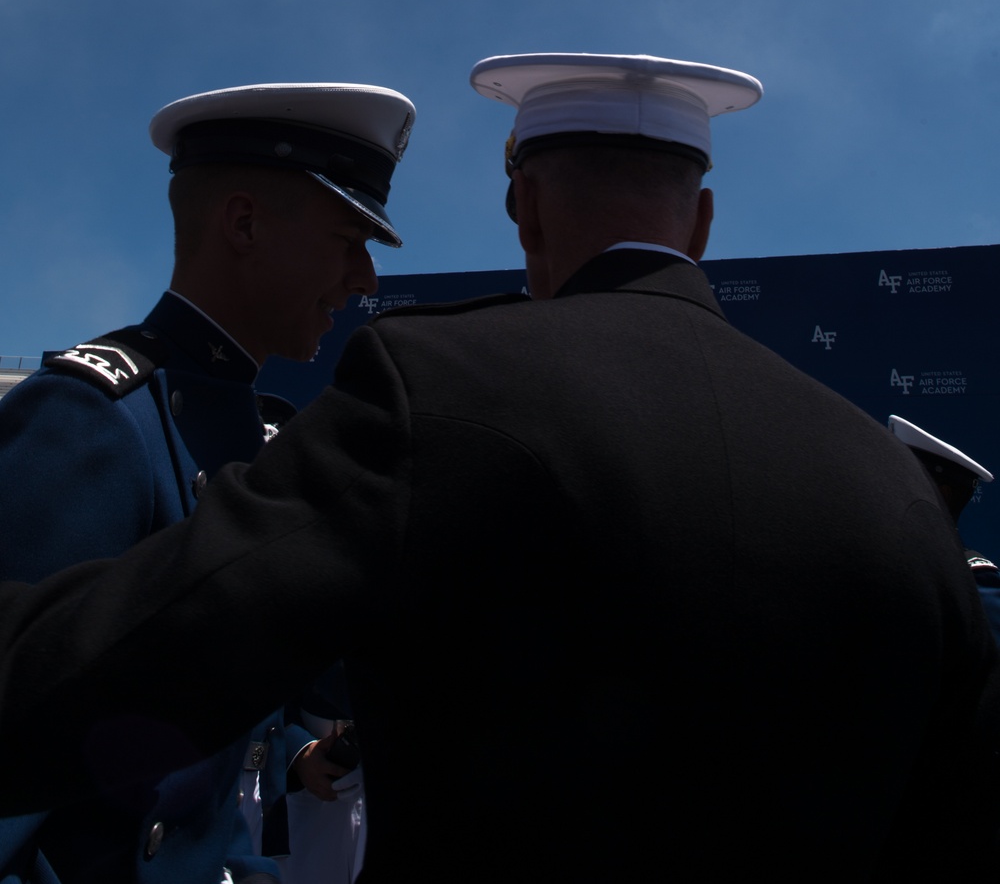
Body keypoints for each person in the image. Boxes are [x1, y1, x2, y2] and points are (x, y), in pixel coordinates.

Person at [0, 52, 997, 882]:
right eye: (351, 239)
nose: (363, 281)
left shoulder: (440, 385)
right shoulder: (898, 489)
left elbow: (154, 644)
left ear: (521, 205)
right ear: (699, 223)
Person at [0, 80, 414, 884]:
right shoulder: (91, 422)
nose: (365, 278)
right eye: (348, 240)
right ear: (245, 224)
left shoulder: (255, 433)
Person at [889, 414, 1000, 643]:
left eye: (905, 479)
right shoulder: (884, 564)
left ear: (942, 494)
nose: (891, 488)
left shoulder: (973, 579)